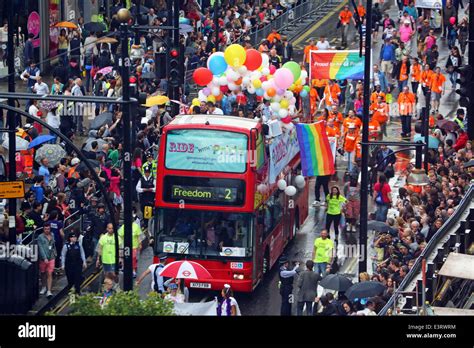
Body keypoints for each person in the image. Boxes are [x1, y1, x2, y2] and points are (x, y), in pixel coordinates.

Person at [37, 222, 56, 299]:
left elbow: (53, 245)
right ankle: (44, 286)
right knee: (43, 273)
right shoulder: (40, 237)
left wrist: (55, 254)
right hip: (43, 259)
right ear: (43, 229)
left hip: (51, 257)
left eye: (48, 229)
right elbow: (40, 248)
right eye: (45, 229)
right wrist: (44, 257)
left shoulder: (52, 235)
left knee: (49, 273)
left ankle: (49, 290)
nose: (47, 230)